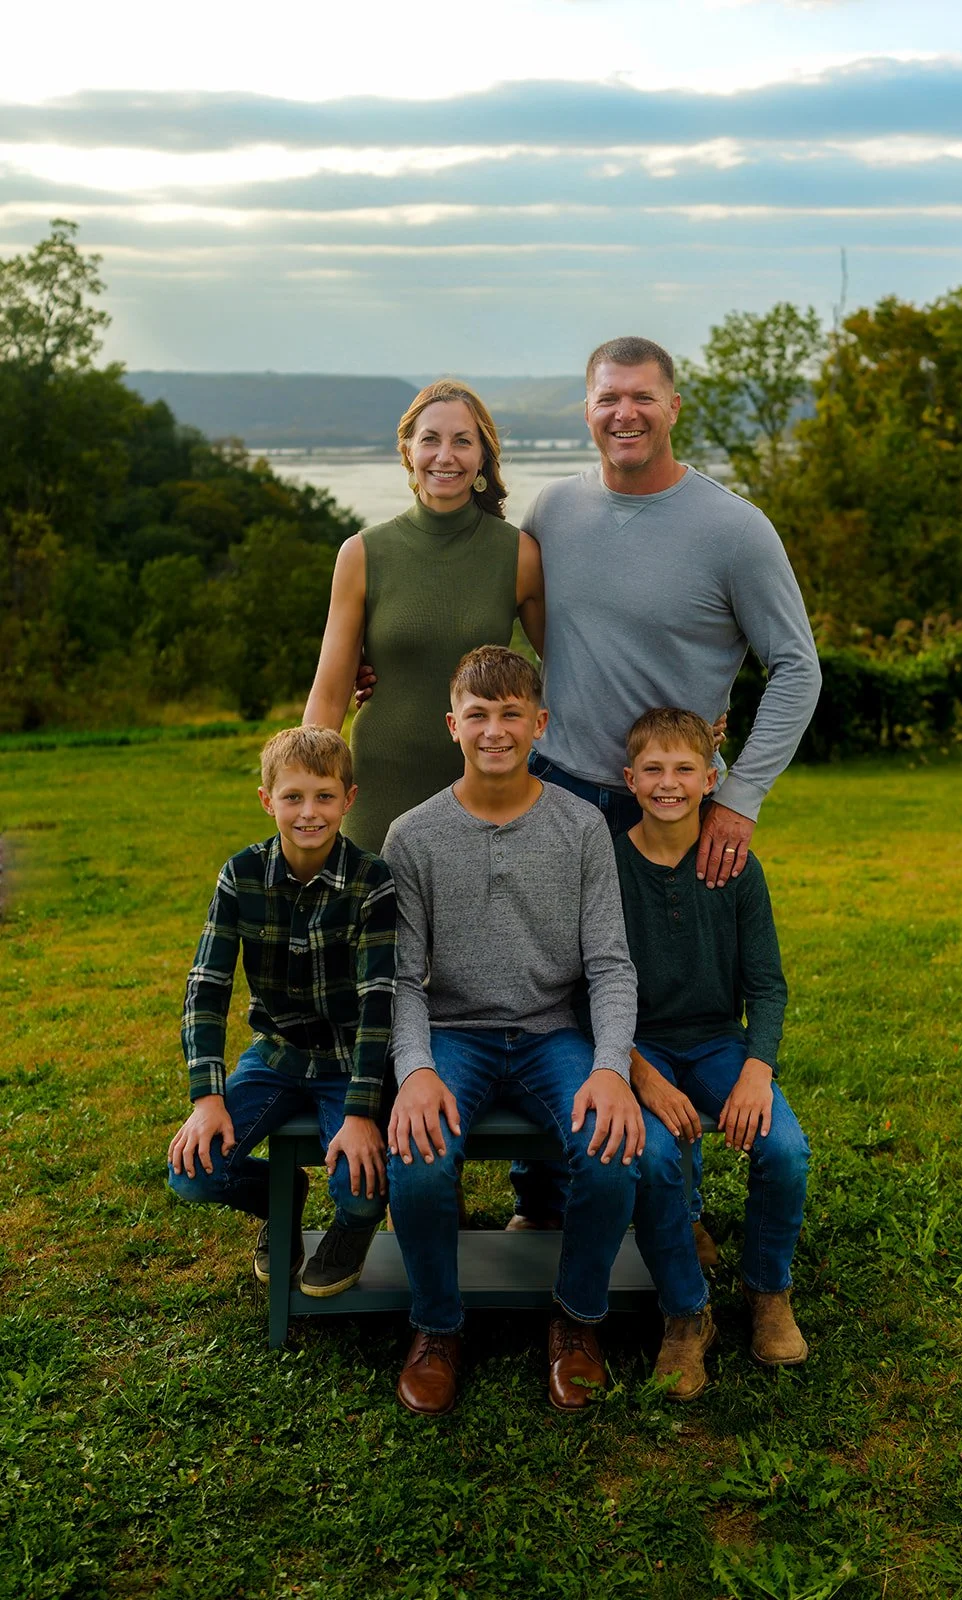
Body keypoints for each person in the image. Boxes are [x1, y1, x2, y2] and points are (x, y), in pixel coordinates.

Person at [511, 333, 821, 1233]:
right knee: (547, 999)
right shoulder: (553, 510)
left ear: (673, 406)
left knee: (673, 999)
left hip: (676, 806)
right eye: (608, 397)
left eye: (642, 397)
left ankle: (671, 1207)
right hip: (561, 793)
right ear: (587, 409)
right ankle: (547, 1196)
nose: (625, 413)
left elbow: (796, 667)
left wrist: (742, 793)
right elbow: (495, 614)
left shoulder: (731, 528)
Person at [381, 646, 714, 1415]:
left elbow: (609, 964)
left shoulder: (581, 826)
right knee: (420, 1158)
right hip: (453, 1030)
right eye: (477, 715)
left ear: (539, 723)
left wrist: (606, 1067)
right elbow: (400, 977)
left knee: (609, 1147)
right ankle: (436, 1327)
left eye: (509, 716)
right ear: (451, 726)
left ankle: (575, 1318)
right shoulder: (413, 835)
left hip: (551, 1031)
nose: (493, 731)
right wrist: (417, 1068)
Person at [167, 726, 396, 1298]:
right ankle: (282, 1198)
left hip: (348, 1063)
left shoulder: (372, 881)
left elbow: (378, 1003)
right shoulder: (240, 875)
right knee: (194, 1171)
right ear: (268, 800)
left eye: (324, 796)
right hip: (277, 1056)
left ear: (349, 799)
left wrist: (363, 1111)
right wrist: (207, 1098)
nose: (309, 813)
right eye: (293, 797)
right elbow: (206, 987)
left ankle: (350, 1230)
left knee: (365, 1189)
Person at [617, 706, 810, 1366]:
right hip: (635, 1045)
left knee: (783, 1150)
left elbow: (768, 988)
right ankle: (685, 1312)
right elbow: (583, 989)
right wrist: (640, 1074)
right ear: (629, 779)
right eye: (652, 770)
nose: (667, 783)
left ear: (709, 780)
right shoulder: (606, 868)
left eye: (683, 769)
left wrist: (756, 1070)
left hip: (717, 1042)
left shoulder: (735, 868)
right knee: (652, 1159)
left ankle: (767, 1293)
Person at [303, 380, 545, 854]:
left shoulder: (518, 554)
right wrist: (305, 790)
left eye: (462, 441)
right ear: (408, 451)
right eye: (430, 439)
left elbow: (566, 670)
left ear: (482, 458)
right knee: (377, 927)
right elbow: (330, 693)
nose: (445, 455)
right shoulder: (362, 553)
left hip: (484, 786)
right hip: (381, 786)